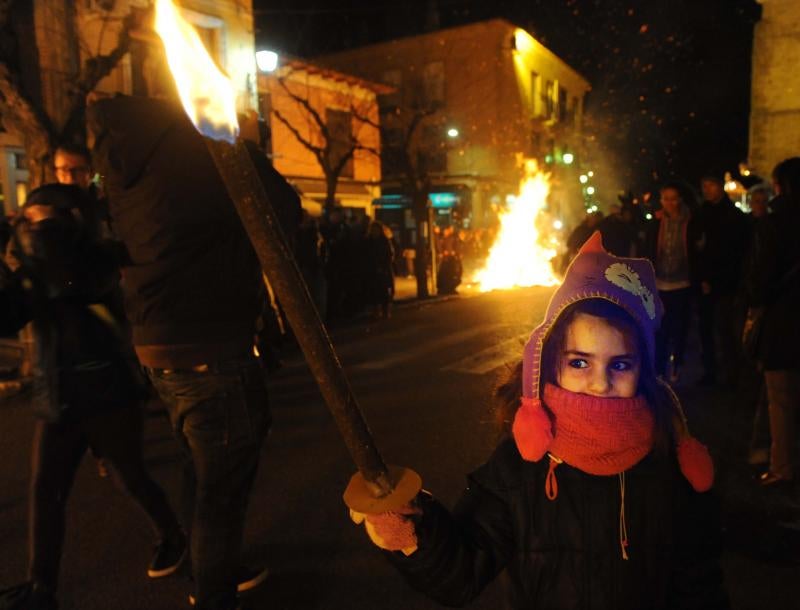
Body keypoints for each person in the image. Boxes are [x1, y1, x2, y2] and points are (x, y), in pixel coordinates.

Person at [349, 232, 728, 609]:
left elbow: (699, 584)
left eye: (620, 365)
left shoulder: (667, 464)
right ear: (550, 364)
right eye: (579, 362)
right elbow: (461, 570)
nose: (600, 383)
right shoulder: (518, 468)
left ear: (642, 370)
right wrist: (415, 529)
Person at [87, 94, 300, 610]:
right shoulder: (199, 151)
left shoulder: (130, 161)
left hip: (158, 342)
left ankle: (205, 568)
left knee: (199, 466)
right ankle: (213, 591)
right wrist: (244, 145)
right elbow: (282, 210)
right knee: (221, 491)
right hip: (212, 342)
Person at [0, 184, 185, 610]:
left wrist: (43, 233)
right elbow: (10, 315)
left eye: (40, 214)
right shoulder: (34, 264)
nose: (31, 221)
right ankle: (42, 588)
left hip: (108, 391)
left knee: (129, 476)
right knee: (46, 489)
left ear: (68, 216)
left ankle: (172, 535)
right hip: (59, 393)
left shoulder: (96, 255)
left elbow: (71, 282)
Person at [743, 157, 800, 487]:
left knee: (780, 400)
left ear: (780, 186)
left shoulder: (774, 224)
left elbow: (759, 281)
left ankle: (782, 467)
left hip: (783, 324)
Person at [696, 173, 750, 386]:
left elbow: (736, 252)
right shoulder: (702, 213)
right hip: (705, 281)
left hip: (726, 282)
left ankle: (731, 373)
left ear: (720, 186)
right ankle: (711, 371)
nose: (707, 190)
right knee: (707, 329)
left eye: (711, 185)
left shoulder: (734, 217)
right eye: (704, 186)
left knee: (725, 330)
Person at [644, 181, 700, 382]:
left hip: (682, 283)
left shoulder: (690, 222)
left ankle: (677, 364)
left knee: (680, 327)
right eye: (665, 199)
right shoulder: (656, 222)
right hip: (659, 283)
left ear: (680, 200)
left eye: (673, 199)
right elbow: (648, 249)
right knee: (660, 328)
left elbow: (696, 251)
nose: (669, 203)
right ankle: (659, 369)